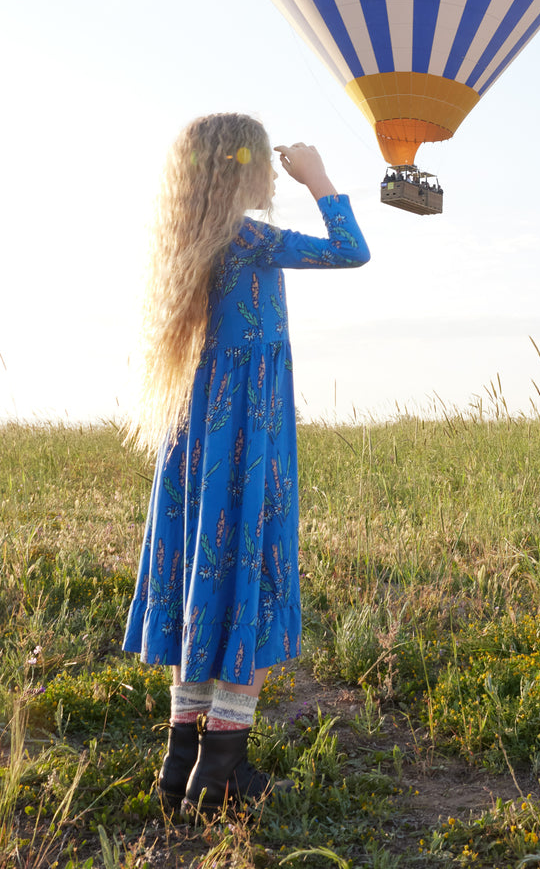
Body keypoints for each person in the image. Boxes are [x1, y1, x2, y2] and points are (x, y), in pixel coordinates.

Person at [122, 113, 370, 813]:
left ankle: (182, 759)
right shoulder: (250, 238)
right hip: (248, 435)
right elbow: (351, 250)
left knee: (206, 571)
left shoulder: (188, 247)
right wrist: (318, 178)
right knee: (249, 572)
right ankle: (224, 766)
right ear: (244, 170)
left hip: (197, 435)